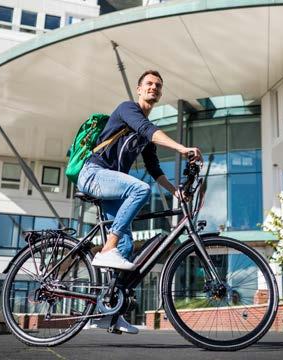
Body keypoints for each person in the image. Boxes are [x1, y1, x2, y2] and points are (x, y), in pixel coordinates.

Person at [77, 70, 201, 333]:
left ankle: (109, 313)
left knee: (127, 248)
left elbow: (154, 168)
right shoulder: (128, 109)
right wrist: (181, 148)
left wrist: (174, 191)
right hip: (94, 174)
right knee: (139, 189)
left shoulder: (145, 135)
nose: (153, 88)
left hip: (110, 185)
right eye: (149, 84)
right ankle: (106, 249)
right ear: (139, 89)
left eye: (158, 85)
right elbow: (148, 129)